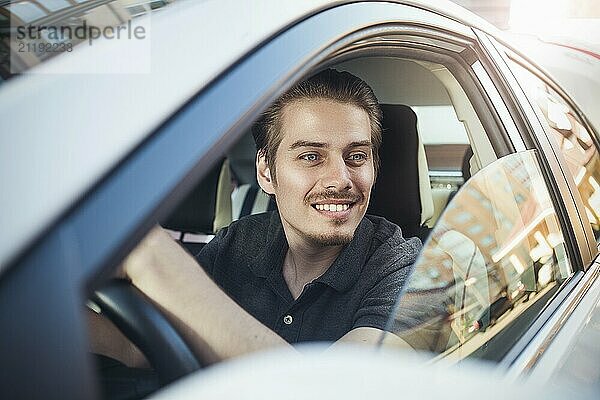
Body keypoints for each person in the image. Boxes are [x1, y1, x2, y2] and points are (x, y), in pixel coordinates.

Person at [92, 68, 421, 365]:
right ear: (266, 172)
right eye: (311, 156)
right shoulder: (237, 243)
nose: (340, 178)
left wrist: (154, 257)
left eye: (357, 156)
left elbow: (332, 391)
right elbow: (138, 347)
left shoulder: (416, 273)